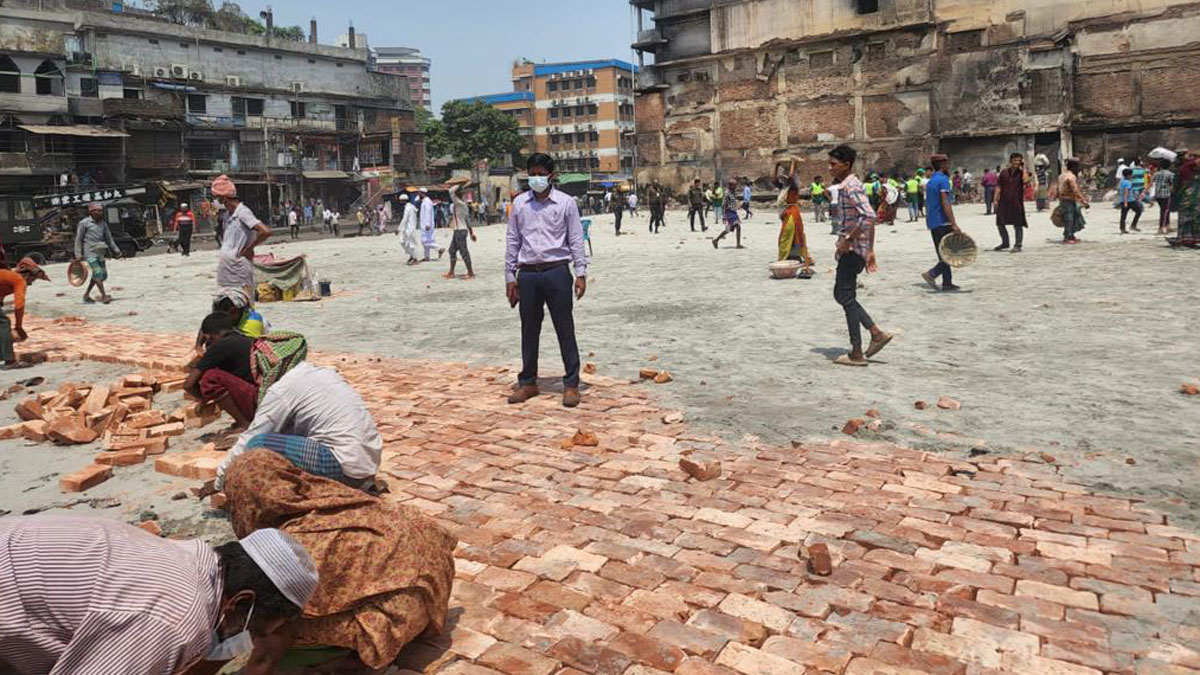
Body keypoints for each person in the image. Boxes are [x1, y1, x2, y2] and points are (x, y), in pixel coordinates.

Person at [221, 450, 455, 671]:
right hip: (435, 588)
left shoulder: (296, 546)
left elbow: (269, 622)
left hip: (398, 619)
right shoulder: (330, 496)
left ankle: (350, 656)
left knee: (273, 617)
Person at [0, 515, 317, 675]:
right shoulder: (175, 618)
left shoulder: (192, 559)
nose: (245, 643)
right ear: (241, 603)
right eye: (256, 631)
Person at [504, 153, 588, 409]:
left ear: (551, 175)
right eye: (533, 173)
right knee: (529, 329)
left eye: (541, 173)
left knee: (564, 327)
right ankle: (528, 381)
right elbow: (512, 240)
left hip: (557, 271)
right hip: (528, 273)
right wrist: (510, 276)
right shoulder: (520, 205)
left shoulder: (565, 203)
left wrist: (581, 272)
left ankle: (571, 384)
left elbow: (575, 239)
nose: (536, 178)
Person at [828, 145, 891, 366]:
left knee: (845, 296)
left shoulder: (850, 186)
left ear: (846, 164)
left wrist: (849, 240)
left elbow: (869, 216)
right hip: (856, 249)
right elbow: (864, 219)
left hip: (852, 250)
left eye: (834, 164)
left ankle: (857, 352)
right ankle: (875, 333)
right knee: (842, 294)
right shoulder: (848, 185)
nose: (830, 168)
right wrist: (870, 249)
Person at [185, 312, 260, 428]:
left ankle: (244, 423)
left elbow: (188, 385)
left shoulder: (219, 346)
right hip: (267, 398)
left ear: (209, 337)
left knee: (210, 378)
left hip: (257, 402)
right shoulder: (246, 339)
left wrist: (203, 398)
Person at [211, 175, 271, 297]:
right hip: (227, 268)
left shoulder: (243, 212)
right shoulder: (228, 215)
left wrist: (249, 248)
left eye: (216, 198)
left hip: (238, 268)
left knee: (242, 302)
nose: (215, 202)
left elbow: (265, 231)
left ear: (224, 198)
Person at [921, 153, 961, 291]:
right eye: (946, 163)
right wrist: (953, 223)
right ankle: (932, 274)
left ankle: (947, 282)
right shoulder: (943, 180)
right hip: (942, 221)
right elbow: (945, 202)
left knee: (942, 252)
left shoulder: (931, 181)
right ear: (942, 165)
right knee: (948, 253)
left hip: (933, 221)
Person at [0, 258, 49, 370]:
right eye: (33, 279)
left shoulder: (8, 275)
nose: (31, 283)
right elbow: (19, 305)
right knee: (3, 323)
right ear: (27, 275)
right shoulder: (19, 280)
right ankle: (10, 361)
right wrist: (18, 326)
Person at [73, 202, 121, 305]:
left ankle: (86, 295)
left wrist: (116, 250)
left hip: (100, 251)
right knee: (98, 272)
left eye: (100, 211)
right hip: (89, 253)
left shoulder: (103, 224)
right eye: (97, 211)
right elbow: (78, 239)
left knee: (102, 275)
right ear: (91, 212)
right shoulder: (84, 223)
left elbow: (109, 238)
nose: (99, 213)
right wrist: (78, 254)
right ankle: (104, 296)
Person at [774, 160, 813, 272]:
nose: (784, 178)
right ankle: (796, 256)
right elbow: (774, 180)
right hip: (785, 212)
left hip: (792, 212)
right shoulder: (783, 187)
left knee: (787, 235)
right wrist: (776, 166)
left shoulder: (793, 187)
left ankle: (783, 258)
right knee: (793, 235)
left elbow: (791, 177)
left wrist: (792, 164)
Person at [994, 152, 1029, 252]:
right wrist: (995, 199)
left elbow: (1026, 181)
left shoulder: (1022, 173)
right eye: (1015, 160)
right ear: (1011, 161)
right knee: (1000, 222)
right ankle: (1005, 242)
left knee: (1018, 223)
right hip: (1004, 201)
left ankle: (1018, 245)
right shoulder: (1004, 172)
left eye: (1019, 161)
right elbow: (999, 186)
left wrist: (1024, 168)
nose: (1017, 162)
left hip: (1016, 202)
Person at [444, 182, 476, 280]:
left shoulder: (458, 203)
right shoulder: (464, 205)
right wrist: (471, 233)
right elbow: (468, 221)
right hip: (461, 230)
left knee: (463, 251)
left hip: (460, 231)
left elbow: (451, 191)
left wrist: (459, 184)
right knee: (452, 250)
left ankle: (470, 273)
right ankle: (451, 272)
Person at [1058, 158, 1089, 243]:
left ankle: (1070, 235)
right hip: (1069, 200)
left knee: (1071, 218)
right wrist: (1084, 201)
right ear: (1074, 167)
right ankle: (1067, 237)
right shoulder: (1071, 177)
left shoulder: (1061, 175)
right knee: (1070, 218)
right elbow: (1075, 190)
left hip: (1063, 199)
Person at [711, 178, 743, 249]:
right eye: (734, 185)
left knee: (728, 229)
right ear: (731, 186)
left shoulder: (733, 193)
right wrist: (724, 216)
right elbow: (723, 205)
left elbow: (733, 202)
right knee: (738, 226)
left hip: (733, 212)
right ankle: (738, 244)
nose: (736, 187)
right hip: (729, 213)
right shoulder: (727, 193)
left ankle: (716, 240)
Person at [419, 189, 444, 261]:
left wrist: (427, 224)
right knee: (427, 240)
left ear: (423, 194)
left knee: (425, 241)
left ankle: (439, 248)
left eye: (419, 193)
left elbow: (427, 213)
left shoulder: (427, 202)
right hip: (426, 224)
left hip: (426, 224)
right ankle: (426, 257)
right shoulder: (425, 201)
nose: (419, 195)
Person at [1151, 159, 1175, 234]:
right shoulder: (1170, 174)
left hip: (1157, 195)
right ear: (1169, 166)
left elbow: (1151, 182)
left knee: (1165, 210)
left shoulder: (1156, 174)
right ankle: (1161, 227)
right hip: (1166, 194)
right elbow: (1172, 184)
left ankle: (1167, 225)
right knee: (1164, 211)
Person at [397, 193, 420, 264]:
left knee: (411, 244)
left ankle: (415, 258)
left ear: (403, 200)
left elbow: (405, 219)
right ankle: (411, 256)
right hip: (407, 228)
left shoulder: (408, 208)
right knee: (402, 242)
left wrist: (399, 229)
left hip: (409, 228)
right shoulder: (410, 207)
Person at [1118, 168, 1143, 234]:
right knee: (1139, 210)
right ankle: (1133, 225)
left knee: (1123, 215)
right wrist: (1126, 202)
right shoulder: (1128, 182)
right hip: (1129, 200)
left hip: (1123, 200)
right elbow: (1126, 192)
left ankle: (1122, 228)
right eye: (1131, 175)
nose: (1132, 176)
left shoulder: (1122, 181)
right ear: (1129, 175)